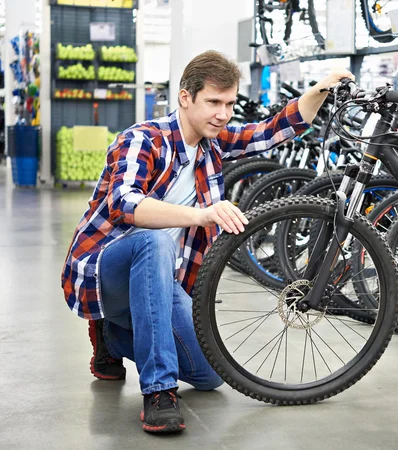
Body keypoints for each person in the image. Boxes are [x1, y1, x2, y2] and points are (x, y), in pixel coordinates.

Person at [61, 49, 354, 434]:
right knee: (154, 243)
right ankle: (159, 391)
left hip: (161, 282)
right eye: (214, 102)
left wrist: (320, 89)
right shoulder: (143, 140)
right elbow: (124, 204)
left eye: (229, 103)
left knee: (208, 375)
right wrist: (202, 214)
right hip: (105, 273)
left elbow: (270, 131)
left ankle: (112, 341)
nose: (224, 113)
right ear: (186, 97)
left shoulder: (213, 143)